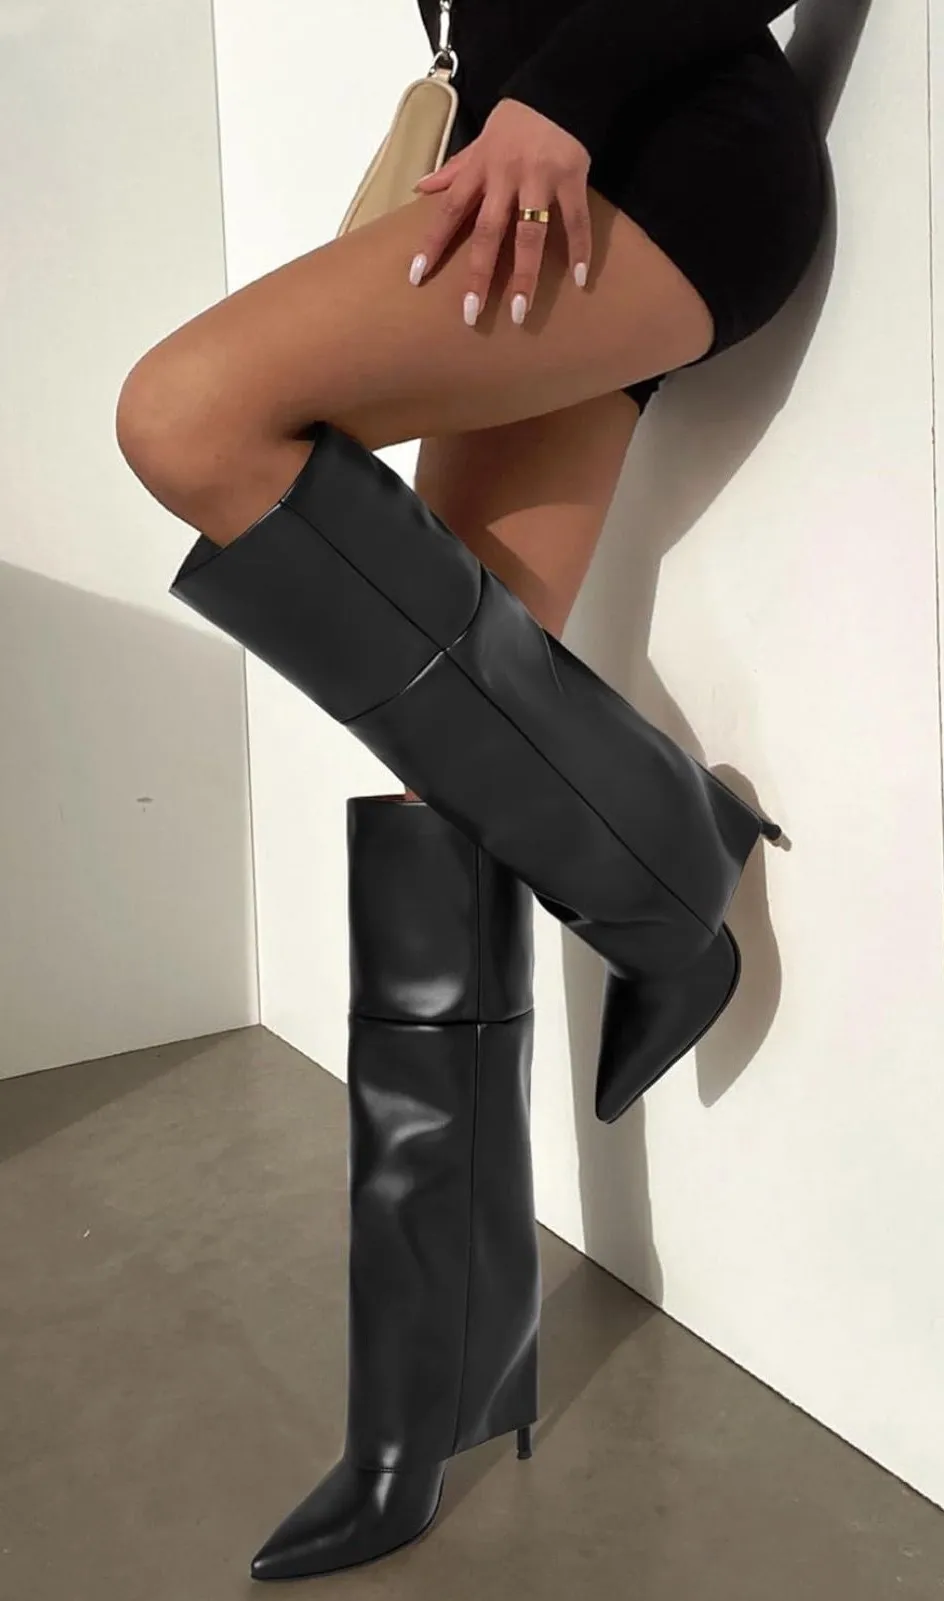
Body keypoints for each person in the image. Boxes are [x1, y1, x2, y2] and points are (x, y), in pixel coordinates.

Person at [114, 0, 828, 1581]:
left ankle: (667, 863)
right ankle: (425, 1402)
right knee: (461, 752)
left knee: (185, 414)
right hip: (520, 177)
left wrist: (562, 98)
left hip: (657, 153)